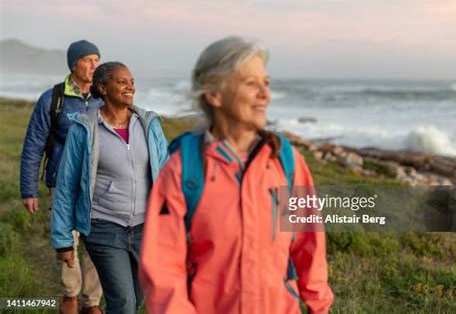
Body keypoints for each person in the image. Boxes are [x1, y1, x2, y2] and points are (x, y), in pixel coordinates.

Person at [139, 36, 334, 313]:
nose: (265, 94)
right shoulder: (182, 169)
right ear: (214, 94)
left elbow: (308, 242)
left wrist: (319, 306)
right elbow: (162, 269)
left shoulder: (286, 161)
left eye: (266, 83)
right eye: (251, 83)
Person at [51, 61, 169, 314]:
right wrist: (62, 240)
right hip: (103, 227)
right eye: (122, 81)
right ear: (102, 88)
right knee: (124, 303)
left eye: (132, 82)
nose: (130, 87)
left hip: (145, 229)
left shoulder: (149, 125)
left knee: (137, 300)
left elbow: (167, 179)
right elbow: (66, 185)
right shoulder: (85, 129)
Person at [19, 40, 104, 314]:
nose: (94, 65)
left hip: (100, 185)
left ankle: (92, 300)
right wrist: (28, 190)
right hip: (62, 183)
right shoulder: (52, 98)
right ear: (73, 64)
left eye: (97, 60)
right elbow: (33, 145)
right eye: (88, 59)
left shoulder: (105, 97)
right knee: (67, 239)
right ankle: (71, 293)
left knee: (96, 240)